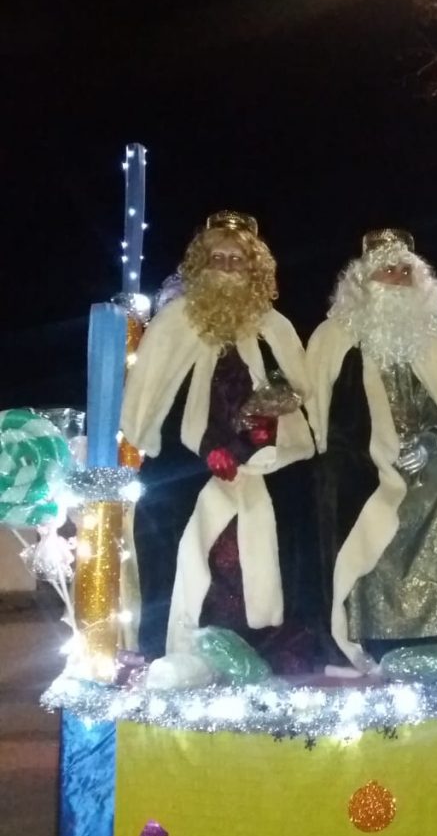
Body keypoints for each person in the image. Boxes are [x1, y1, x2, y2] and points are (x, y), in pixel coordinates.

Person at [121, 210, 317, 669]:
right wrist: (205, 449)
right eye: (218, 259)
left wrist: (275, 407)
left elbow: (298, 386)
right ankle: (171, 652)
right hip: (185, 461)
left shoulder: (275, 327)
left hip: (266, 460)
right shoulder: (173, 324)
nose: (228, 268)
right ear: (200, 266)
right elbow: (147, 398)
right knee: (171, 528)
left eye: (237, 260)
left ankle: (266, 649)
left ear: (255, 270)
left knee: (279, 528)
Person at [306, 227, 437, 671]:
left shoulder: (430, 339)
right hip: (358, 463)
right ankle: (374, 636)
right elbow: (317, 413)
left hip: (423, 463)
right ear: (364, 281)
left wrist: (430, 441)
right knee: (362, 505)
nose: (397, 280)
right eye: (387, 271)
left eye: (405, 272)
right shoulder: (334, 336)